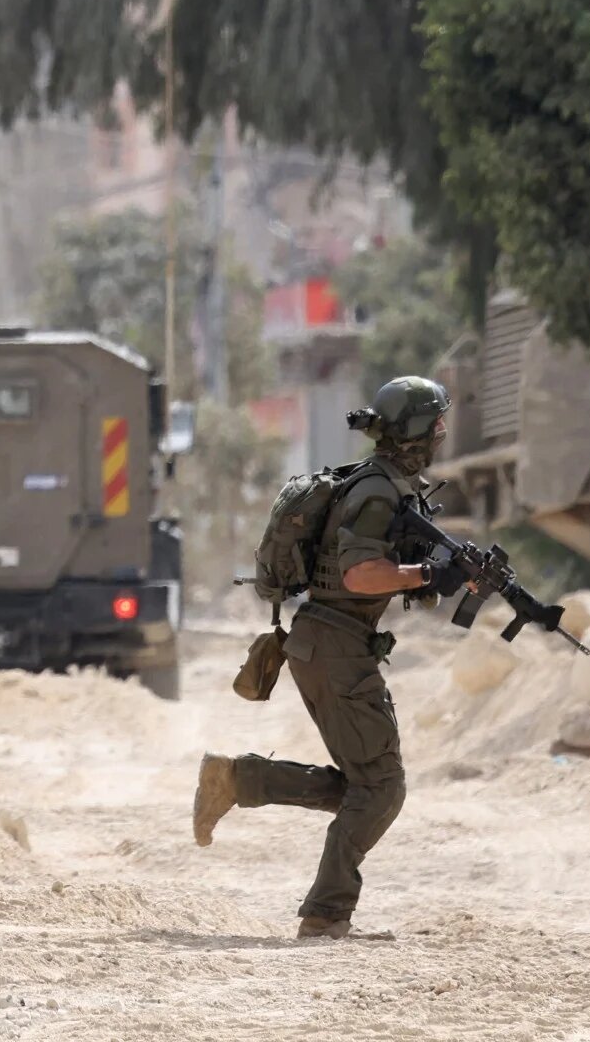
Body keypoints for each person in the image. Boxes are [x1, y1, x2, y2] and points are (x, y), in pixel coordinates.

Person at [191, 376, 465, 940]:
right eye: (436, 422)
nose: (442, 431)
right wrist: (429, 574)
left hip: (329, 642)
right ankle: (325, 914)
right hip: (336, 647)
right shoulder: (377, 492)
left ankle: (237, 779)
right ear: (417, 430)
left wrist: (437, 578)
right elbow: (358, 573)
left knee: (364, 788)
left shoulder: (385, 485)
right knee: (382, 789)